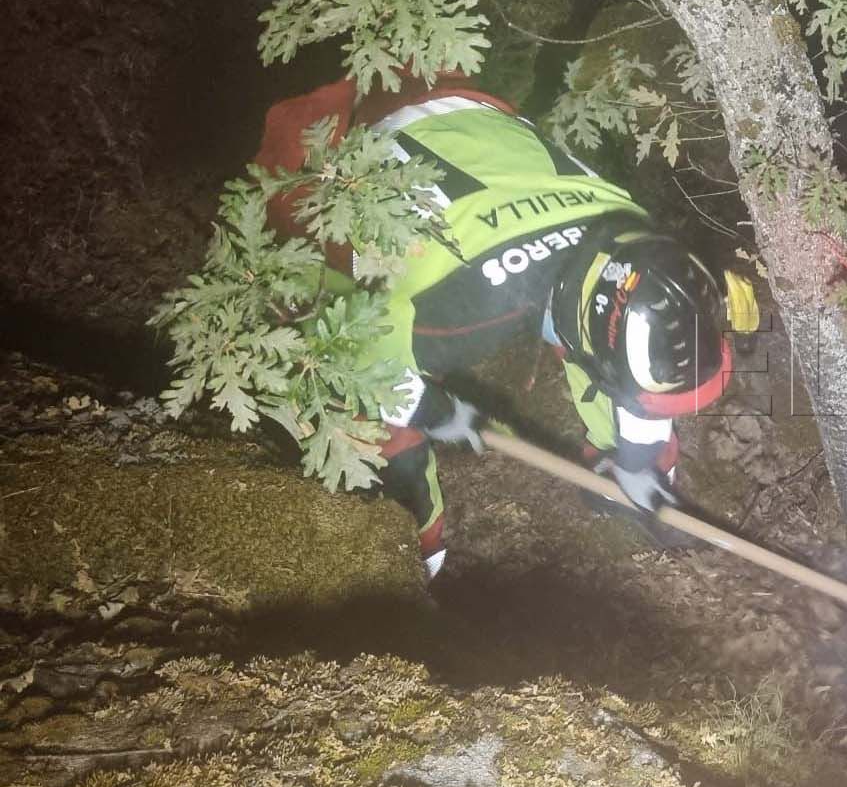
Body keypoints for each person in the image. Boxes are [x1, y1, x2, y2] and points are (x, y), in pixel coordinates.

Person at [255, 74, 761, 579]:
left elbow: (627, 353)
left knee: (603, 346)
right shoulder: (445, 312)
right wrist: (430, 408)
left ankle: (622, 461)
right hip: (345, 162)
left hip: (463, 110)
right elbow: (349, 365)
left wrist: (637, 460)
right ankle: (408, 554)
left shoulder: (633, 239)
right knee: (367, 416)